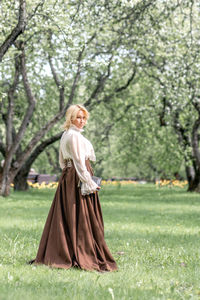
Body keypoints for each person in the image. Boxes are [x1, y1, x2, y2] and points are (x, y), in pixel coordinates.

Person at [29, 104, 117, 272]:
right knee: (82, 215)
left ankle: (67, 251)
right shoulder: (74, 136)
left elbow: (63, 162)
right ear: (71, 118)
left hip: (69, 177)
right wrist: (88, 181)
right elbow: (78, 161)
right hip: (77, 177)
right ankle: (82, 252)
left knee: (68, 214)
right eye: (78, 117)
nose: (82, 121)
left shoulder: (66, 135)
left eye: (84, 118)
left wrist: (70, 175)